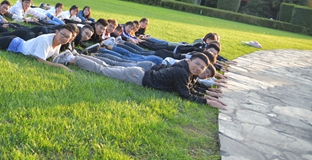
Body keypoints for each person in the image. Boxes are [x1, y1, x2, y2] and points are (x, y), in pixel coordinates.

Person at [54, 51, 227, 109]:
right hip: (137, 77)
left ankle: (75, 56)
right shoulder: (182, 72)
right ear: (190, 61)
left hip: (140, 73)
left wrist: (208, 93)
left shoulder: (187, 71)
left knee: (107, 66)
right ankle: (72, 59)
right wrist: (207, 101)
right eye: (197, 64)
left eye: (202, 67)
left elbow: (191, 87)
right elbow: (185, 94)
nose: (198, 68)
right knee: (103, 70)